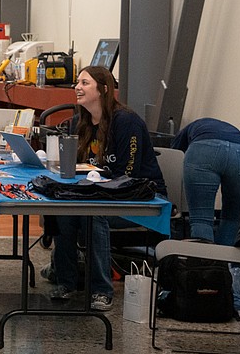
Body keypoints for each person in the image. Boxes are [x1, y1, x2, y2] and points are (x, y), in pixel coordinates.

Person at [47, 66, 165, 311]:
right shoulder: (80, 122)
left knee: (93, 214)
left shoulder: (126, 122)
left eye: (85, 83)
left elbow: (127, 176)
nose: (77, 87)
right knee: (62, 212)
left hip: (139, 198)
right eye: (77, 82)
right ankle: (66, 282)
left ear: (103, 89)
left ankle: (102, 290)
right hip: (98, 193)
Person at [171, 118, 240, 245]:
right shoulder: (231, 129)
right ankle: (225, 263)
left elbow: (174, 156)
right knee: (232, 220)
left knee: (201, 220)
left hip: (204, 149)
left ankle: (203, 263)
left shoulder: (186, 131)